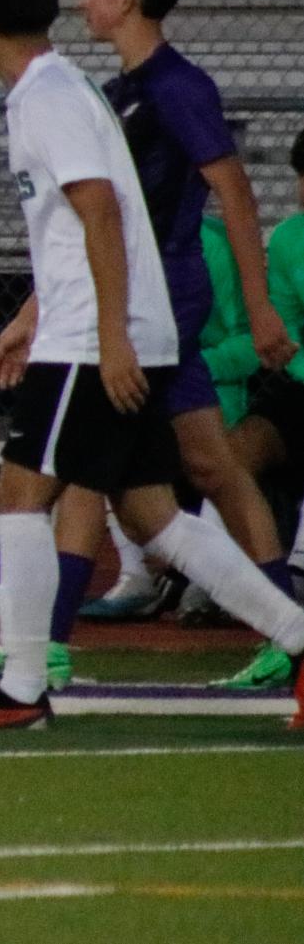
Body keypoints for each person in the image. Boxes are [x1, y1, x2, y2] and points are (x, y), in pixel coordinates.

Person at [0, 0, 304, 731]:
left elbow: (98, 209)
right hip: (115, 324)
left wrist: (107, 335)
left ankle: (23, 687)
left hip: (96, 337)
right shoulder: (65, 87)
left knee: (18, 493)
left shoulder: (48, 97)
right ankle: (298, 634)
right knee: (152, 516)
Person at [215, 128, 304, 690]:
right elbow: (283, 326)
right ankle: (266, 602)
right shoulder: (290, 239)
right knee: (227, 460)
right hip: (299, 383)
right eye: (301, 178)